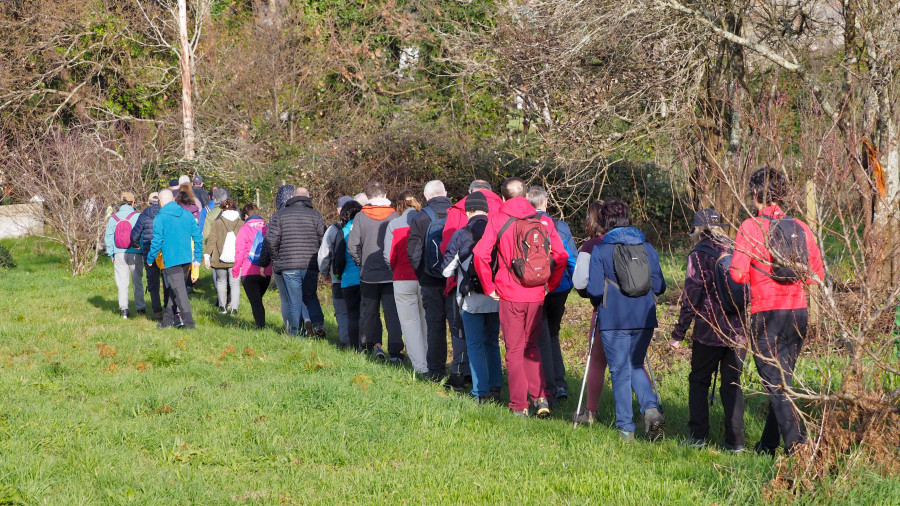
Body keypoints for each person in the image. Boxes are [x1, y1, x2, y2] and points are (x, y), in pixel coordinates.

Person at [730, 167, 824, 456]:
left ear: (756, 194)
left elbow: (736, 274)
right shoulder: (800, 227)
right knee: (782, 383)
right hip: (797, 313)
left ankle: (798, 450)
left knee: (776, 385)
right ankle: (767, 445)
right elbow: (814, 274)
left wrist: (755, 275)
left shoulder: (750, 227)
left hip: (766, 314)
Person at [472, 177, 569, 417]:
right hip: (536, 293)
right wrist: (550, 285)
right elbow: (562, 255)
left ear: (503, 198)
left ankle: (519, 405)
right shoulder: (542, 221)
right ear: (525, 195)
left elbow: (479, 254)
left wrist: (488, 286)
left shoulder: (497, 219)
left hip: (509, 293)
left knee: (514, 349)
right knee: (532, 345)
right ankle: (540, 398)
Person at [586, 199, 666, 441]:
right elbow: (660, 286)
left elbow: (595, 291)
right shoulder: (647, 248)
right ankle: (651, 410)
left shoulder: (601, 249)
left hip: (614, 319)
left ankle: (625, 428)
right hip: (644, 318)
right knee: (635, 365)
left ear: (604, 221)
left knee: (620, 371)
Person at [668, 209, 747, 452]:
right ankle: (736, 443)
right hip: (738, 331)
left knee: (699, 381)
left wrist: (678, 334)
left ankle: (698, 436)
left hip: (709, 331)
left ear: (697, 229)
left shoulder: (699, 254)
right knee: (732, 383)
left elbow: (691, 296)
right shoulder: (737, 249)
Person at [441, 192, 502, 403]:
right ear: (486, 210)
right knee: (492, 343)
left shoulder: (461, 234)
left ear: (467, 211)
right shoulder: (498, 230)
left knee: (474, 345)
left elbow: (447, 270)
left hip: (471, 299)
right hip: (495, 296)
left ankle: (480, 392)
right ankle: (496, 387)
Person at [407, 180, 467, 382]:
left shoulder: (421, 217)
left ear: (425, 196)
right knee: (458, 326)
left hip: (430, 281)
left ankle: (435, 372)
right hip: (455, 279)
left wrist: (422, 274)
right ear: (446, 192)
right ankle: (461, 371)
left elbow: (413, 252)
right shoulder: (458, 213)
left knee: (434, 327)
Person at [527, 185, 578, 403]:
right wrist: (575, 284)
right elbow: (571, 258)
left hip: (536, 287)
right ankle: (560, 385)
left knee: (540, 338)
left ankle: (546, 388)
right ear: (546, 203)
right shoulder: (560, 226)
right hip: (560, 288)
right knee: (553, 334)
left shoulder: (524, 225)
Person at [347, 181, 403, 360]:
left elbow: (352, 245)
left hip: (369, 274)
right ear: (385, 195)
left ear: (368, 197)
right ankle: (395, 351)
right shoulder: (394, 216)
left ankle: (373, 345)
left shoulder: (361, 217)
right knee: (392, 313)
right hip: (390, 273)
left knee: (370, 312)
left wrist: (360, 262)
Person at [266, 187, 327, 337]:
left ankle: (295, 334)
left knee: (294, 300)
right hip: (310, 264)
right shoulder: (316, 215)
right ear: (308, 197)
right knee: (311, 296)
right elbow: (324, 239)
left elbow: (271, 240)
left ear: (293, 197)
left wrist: (277, 258)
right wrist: (319, 258)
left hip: (288, 265)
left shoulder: (280, 215)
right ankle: (318, 324)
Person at [571, 200, 609, 425]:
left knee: (596, 361)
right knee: (634, 363)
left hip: (603, 309)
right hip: (635, 311)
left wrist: (590, 294)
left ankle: (590, 412)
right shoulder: (630, 242)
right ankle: (650, 409)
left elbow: (580, 282)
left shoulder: (590, 246)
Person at [384, 190, 427, 373]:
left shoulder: (394, 224)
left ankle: (420, 366)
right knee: (427, 321)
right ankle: (430, 360)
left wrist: (396, 269)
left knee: (410, 324)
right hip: (425, 278)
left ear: (399, 205)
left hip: (402, 278)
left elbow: (388, 256)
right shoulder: (426, 220)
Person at [147, 189, 202, 329]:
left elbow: (157, 240)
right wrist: (197, 256)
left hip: (172, 260)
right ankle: (167, 321)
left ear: (160, 201)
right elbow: (197, 235)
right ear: (172, 199)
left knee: (180, 292)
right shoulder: (186, 214)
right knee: (175, 289)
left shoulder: (160, 217)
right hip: (186, 259)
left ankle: (190, 324)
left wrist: (150, 257)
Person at [318, 195, 355, 348]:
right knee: (360, 310)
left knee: (341, 311)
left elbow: (324, 254)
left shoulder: (334, 229)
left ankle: (346, 341)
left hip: (339, 277)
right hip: (361, 277)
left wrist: (325, 273)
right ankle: (362, 341)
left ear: (340, 211)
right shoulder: (363, 225)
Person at [232, 203, 274, 328]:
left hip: (249, 271)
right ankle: (261, 325)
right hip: (266, 271)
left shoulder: (245, 229)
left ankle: (260, 327)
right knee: (258, 300)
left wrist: (235, 270)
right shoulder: (267, 228)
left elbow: (240, 251)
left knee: (256, 302)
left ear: (246, 215)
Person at [105, 191, 145, 318]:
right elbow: (142, 235)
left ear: (121, 203)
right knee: (137, 280)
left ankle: (124, 310)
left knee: (122, 283)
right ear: (133, 202)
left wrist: (111, 253)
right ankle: (140, 308)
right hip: (136, 252)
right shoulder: (138, 216)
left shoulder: (114, 218)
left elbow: (109, 236)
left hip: (119, 253)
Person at [204, 198, 244, 315]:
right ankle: (234, 308)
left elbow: (211, 240)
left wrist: (207, 255)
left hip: (219, 258)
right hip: (236, 259)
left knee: (221, 282)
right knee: (235, 283)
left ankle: (222, 307)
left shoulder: (217, 223)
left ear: (222, 209)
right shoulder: (241, 223)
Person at [130, 192, 163, 320]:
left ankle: (157, 311)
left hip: (149, 252)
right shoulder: (165, 213)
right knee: (167, 281)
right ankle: (170, 309)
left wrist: (136, 245)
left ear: (148, 202)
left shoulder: (144, 215)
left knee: (153, 283)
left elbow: (134, 235)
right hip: (164, 252)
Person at [339, 201, 364, 350]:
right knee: (367, 314)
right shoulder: (364, 227)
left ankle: (355, 348)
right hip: (365, 278)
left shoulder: (343, 232)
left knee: (353, 315)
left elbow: (339, 257)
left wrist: (337, 272)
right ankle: (369, 345)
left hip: (348, 279)